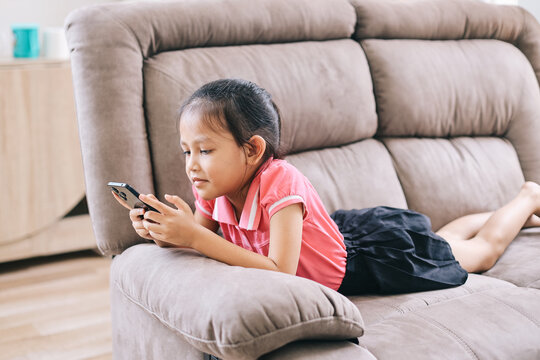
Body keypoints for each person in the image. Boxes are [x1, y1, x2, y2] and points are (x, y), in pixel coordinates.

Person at [113, 78, 540, 295]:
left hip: (369, 261)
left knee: (478, 255)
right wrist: (170, 230)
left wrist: (193, 237)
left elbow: (282, 272)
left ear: (252, 149)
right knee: (443, 237)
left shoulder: (280, 181)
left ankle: (527, 197)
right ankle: (508, 210)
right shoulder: (212, 184)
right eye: (186, 151)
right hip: (342, 235)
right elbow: (204, 239)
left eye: (204, 150)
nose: (191, 165)